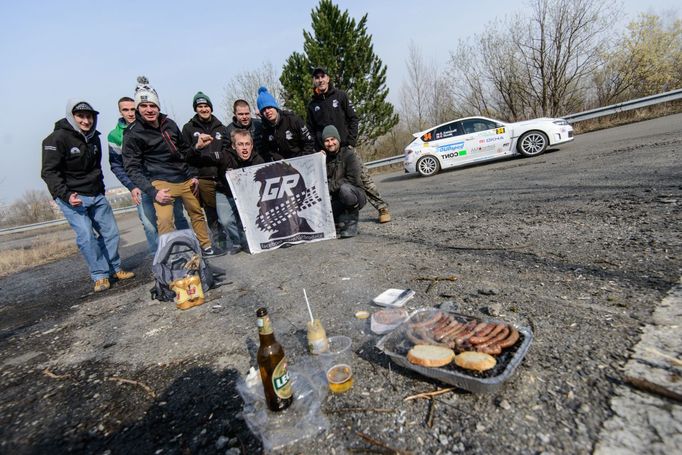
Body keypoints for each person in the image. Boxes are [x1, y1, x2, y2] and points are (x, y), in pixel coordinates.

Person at [122, 77, 224, 257]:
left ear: (158, 106)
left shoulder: (169, 124)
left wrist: (193, 170)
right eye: (144, 106)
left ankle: (206, 247)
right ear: (138, 108)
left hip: (184, 178)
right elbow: (132, 168)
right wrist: (153, 192)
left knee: (196, 213)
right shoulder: (132, 133)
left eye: (152, 105)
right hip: (161, 182)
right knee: (165, 220)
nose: (149, 110)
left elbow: (184, 151)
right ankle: (170, 256)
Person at [41, 100, 135, 292]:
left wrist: (100, 189)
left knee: (111, 233)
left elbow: (96, 167)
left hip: (96, 194)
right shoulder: (56, 139)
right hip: (72, 197)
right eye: (81, 116)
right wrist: (66, 195)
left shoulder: (94, 138)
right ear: (72, 117)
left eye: (89, 116)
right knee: (86, 236)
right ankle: (99, 276)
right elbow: (49, 172)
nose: (86, 121)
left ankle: (114, 269)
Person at [306, 66, 392, 224]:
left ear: (328, 78)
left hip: (346, 148)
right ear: (314, 81)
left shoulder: (340, 96)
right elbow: (310, 131)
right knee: (331, 184)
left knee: (363, 178)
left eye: (322, 76)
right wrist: (318, 149)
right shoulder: (312, 105)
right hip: (326, 153)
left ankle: (382, 207)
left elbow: (353, 119)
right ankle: (336, 217)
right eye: (316, 77)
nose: (320, 80)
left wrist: (351, 142)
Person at [108, 96, 188, 256]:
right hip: (140, 185)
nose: (130, 113)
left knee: (177, 216)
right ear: (120, 111)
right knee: (150, 223)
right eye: (125, 109)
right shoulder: (115, 135)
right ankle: (159, 258)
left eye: (133, 109)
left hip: (163, 181)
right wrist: (131, 186)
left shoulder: (154, 126)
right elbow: (117, 165)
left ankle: (187, 250)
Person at [181, 91, 229, 251]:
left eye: (206, 106)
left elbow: (227, 151)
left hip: (222, 176)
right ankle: (219, 241)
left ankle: (236, 237)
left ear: (211, 108)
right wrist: (193, 175)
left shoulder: (221, 128)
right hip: (203, 177)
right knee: (211, 212)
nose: (203, 109)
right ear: (196, 109)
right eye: (200, 106)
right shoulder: (188, 129)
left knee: (227, 209)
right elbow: (185, 155)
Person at [211, 129, 266, 252]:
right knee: (226, 221)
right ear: (233, 146)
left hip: (248, 194)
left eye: (247, 144)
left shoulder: (258, 160)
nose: (244, 148)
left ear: (252, 145)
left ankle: (251, 239)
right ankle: (238, 242)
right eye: (240, 144)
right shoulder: (224, 156)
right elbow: (204, 159)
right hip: (225, 192)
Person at [321, 125, 366, 238]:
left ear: (338, 139)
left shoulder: (349, 154)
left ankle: (351, 224)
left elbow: (352, 180)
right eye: (327, 141)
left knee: (345, 189)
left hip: (354, 194)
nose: (330, 143)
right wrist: (319, 158)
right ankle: (340, 222)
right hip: (335, 199)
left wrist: (329, 188)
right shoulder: (323, 158)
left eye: (333, 139)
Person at [256, 86, 315, 161]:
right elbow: (268, 151)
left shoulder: (293, 120)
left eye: (269, 107)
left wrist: (302, 160)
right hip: (283, 167)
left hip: (303, 161)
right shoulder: (265, 129)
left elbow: (309, 142)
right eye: (263, 110)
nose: (267, 111)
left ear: (275, 107)